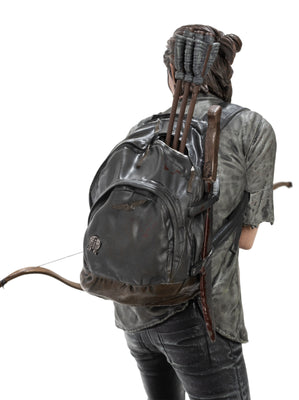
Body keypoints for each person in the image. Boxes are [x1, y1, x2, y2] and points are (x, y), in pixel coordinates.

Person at [114, 24, 276, 400]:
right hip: (200, 316)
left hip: (133, 310)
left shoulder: (143, 128)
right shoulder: (250, 127)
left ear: (174, 72)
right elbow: (246, 239)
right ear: (223, 70)